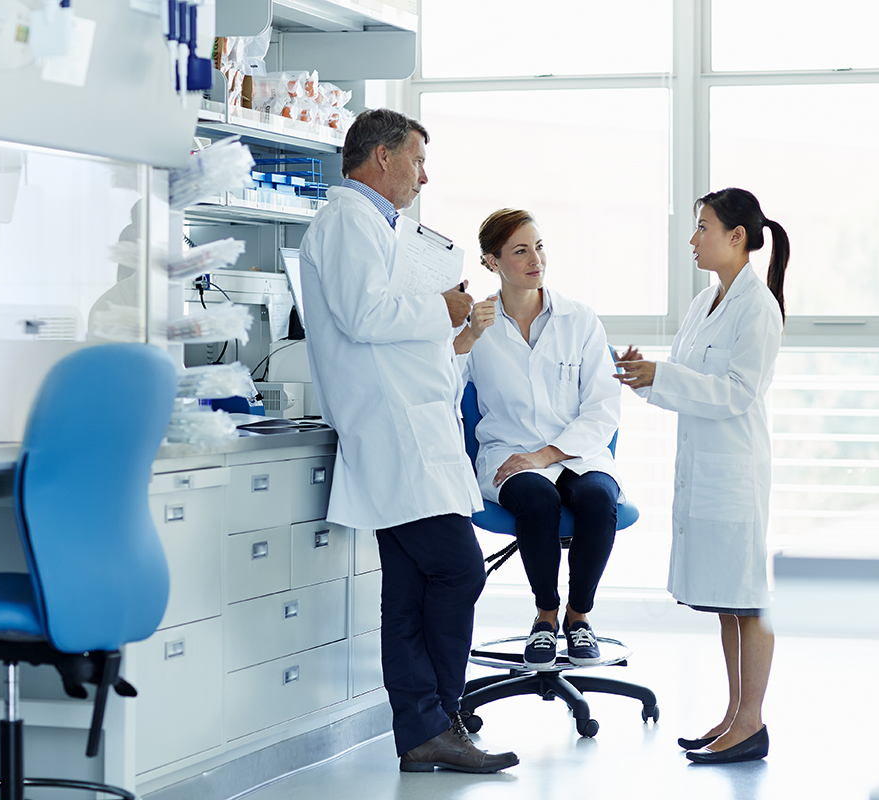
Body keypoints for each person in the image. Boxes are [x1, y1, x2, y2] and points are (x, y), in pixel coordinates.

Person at [298, 109, 518, 774]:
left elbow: (396, 328)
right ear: (382, 157)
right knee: (457, 567)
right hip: (389, 427)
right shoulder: (344, 222)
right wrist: (440, 308)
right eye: (417, 160)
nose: (424, 175)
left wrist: (455, 328)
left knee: (413, 584)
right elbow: (364, 316)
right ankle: (438, 717)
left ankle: (426, 731)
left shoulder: (384, 228)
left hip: (412, 422)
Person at [615, 187, 789, 765]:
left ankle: (753, 723)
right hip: (704, 466)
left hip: (735, 470)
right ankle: (735, 715)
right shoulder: (705, 301)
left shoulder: (758, 307)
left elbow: (738, 393)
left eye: (703, 227)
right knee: (725, 598)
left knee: (749, 598)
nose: (693, 239)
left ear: (736, 237)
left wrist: (664, 376)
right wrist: (647, 376)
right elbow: (685, 381)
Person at [454, 208, 622, 670]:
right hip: (507, 454)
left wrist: (546, 454)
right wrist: (467, 336)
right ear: (492, 261)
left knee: (597, 498)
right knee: (536, 498)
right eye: (520, 251)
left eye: (539, 246)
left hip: (574, 450)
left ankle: (579, 616)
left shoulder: (580, 320)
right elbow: (440, 386)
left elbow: (603, 406)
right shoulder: (478, 325)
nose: (536, 259)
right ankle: (546, 616)